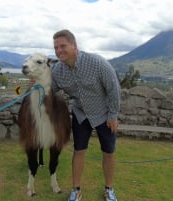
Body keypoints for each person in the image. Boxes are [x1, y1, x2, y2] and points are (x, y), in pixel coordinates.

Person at [51, 29, 121, 201]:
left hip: (104, 115)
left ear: (74, 46)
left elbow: (114, 89)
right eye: (55, 47)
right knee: (79, 151)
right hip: (80, 115)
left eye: (63, 46)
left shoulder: (97, 63)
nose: (59, 50)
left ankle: (109, 189)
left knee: (109, 153)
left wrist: (113, 115)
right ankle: (76, 190)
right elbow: (49, 91)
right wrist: (36, 86)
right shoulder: (57, 71)